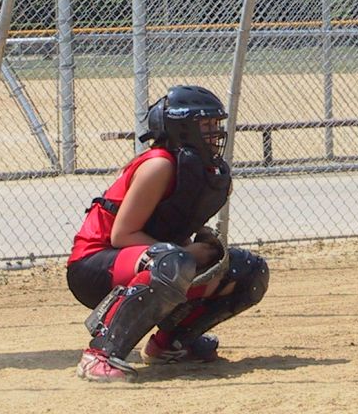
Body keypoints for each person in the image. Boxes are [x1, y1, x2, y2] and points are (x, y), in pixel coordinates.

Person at [66, 85, 269, 382]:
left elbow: (169, 228)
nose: (214, 132)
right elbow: (122, 235)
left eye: (216, 124)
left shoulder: (198, 168)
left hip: (143, 258)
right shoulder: (159, 164)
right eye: (205, 124)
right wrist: (186, 254)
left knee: (246, 271)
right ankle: (99, 355)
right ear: (182, 129)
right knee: (172, 263)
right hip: (95, 264)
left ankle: (169, 344)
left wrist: (199, 250)